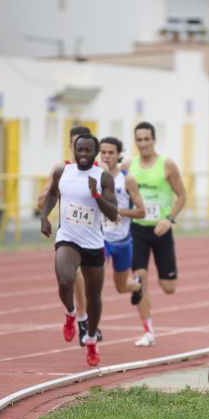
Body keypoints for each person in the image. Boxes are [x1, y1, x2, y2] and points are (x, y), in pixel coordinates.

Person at [40, 133, 119, 367]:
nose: (83, 154)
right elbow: (53, 193)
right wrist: (45, 217)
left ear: (95, 154)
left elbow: (113, 213)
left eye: (88, 151)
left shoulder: (102, 177)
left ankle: (91, 339)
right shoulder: (62, 172)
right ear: (74, 150)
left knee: (94, 296)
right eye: (80, 150)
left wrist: (96, 194)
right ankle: (71, 312)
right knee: (65, 279)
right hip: (68, 237)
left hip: (93, 242)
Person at [129, 121, 188, 347]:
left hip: (161, 230)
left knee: (168, 288)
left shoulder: (167, 166)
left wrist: (169, 219)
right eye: (139, 139)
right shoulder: (129, 166)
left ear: (154, 140)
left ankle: (163, 279)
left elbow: (182, 196)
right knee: (140, 277)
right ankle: (148, 331)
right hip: (137, 229)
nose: (143, 143)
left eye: (147, 139)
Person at [37, 125, 97, 344]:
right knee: (74, 275)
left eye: (85, 145)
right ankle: (80, 318)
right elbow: (43, 200)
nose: (80, 149)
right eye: (75, 144)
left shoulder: (98, 170)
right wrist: (48, 199)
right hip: (70, 236)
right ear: (71, 146)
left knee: (94, 284)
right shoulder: (62, 169)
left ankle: (85, 318)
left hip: (95, 235)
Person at [98, 137, 145, 301]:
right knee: (95, 281)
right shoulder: (94, 176)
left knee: (121, 286)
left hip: (122, 239)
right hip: (101, 238)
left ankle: (137, 286)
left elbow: (141, 212)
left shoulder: (127, 179)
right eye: (103, 152)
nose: (106, 156)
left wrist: (119, 211)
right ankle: (88, 323)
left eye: (111, 153)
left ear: (118, 155)